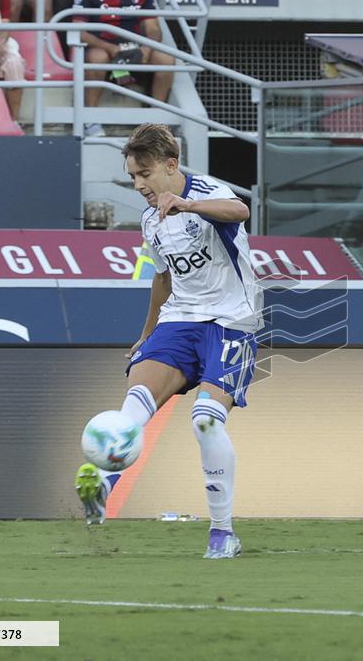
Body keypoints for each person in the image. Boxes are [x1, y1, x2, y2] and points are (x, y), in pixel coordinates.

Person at [74, 123, 262, 560]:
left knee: (205, 420)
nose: (138, 185)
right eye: (133, 178)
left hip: (232, 320)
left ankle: (222, 532)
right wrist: (146, 335)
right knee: (135, 401)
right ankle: (102, 485)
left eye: (144, 175)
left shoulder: (207, 192)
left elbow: (241, 212)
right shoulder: (150, 218)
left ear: (171, 165)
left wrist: (189, 205)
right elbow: (162, 276)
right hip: (180, 319)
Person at [72, 0, 175, 137]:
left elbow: (153, 28)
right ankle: (90, 119)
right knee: (97, 57)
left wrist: (146, 48)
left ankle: (155, 122)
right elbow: (79, 31)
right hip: (103, 46)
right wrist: (109, 47)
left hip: (136, 47)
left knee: (166, 60)